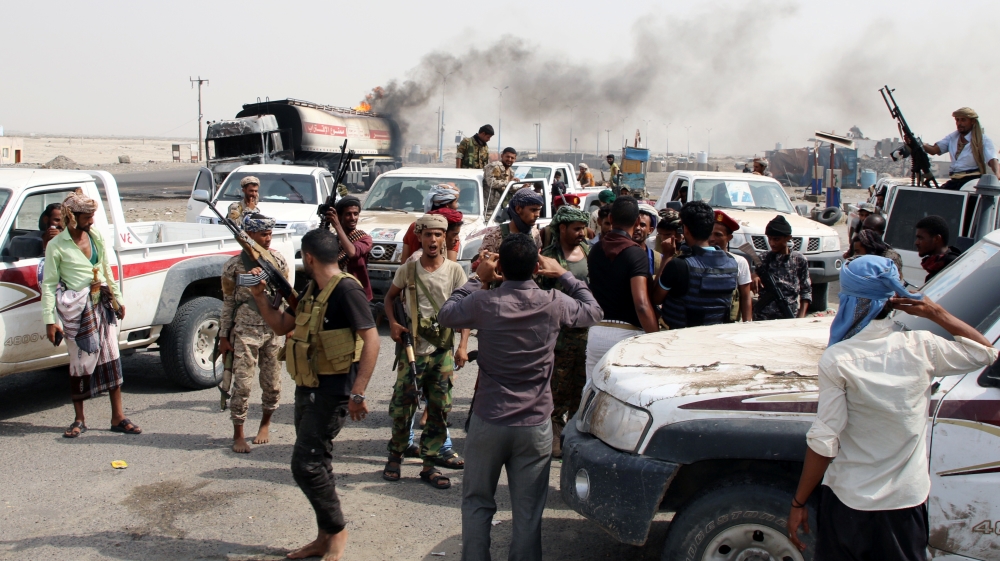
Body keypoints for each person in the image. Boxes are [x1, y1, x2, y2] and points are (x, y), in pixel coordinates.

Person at [787, 255, 998, 559]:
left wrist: (798, 502)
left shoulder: (838, 359)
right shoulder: (922, 346)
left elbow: (824, 440)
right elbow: (985, 353)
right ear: (891, 299)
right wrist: (936, 312)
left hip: (849, 501)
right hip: (905, 505)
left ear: (848, 300)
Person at [438, 233, 602, 561]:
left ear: (500, 266)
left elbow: (446, 314)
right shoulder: (553, 300)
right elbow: (593, 311)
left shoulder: (484, 302)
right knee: (528, 513)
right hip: (535, 424)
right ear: (537, 265)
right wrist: (565, 275)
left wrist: (477, 279)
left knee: (476, 503)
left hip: (489, 419)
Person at [247, 228, 379, 561]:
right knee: (318, 461)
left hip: (334, 392)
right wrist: (261, 296)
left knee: (305, 464)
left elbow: (373, 339)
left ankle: (336, 533)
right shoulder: (312, 289)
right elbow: (281, 326)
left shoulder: (347, 290)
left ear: (308, 257)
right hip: (308, 386)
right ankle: (324, 536)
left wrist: (359, 392)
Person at [382, 215, 471, 488]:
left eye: (438, 235)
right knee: (403, 406)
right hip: (413, 352)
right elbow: (389, 298)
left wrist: (464, 346)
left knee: (439, 408)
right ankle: (395, 456)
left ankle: (429, 464)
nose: (433, 240)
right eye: (428, 235)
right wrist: (395, 325)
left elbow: (467, 310)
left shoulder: (455, 271)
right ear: (419, 237)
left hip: (442, 350)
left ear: (445, 238)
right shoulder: (408, 270)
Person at [42, 192, 138, 438]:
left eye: (92, 216)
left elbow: (106, 268)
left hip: (101, 307)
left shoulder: (94, 236)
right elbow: (50, 285)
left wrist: (117, 298)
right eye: (87, 217)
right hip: (77, 311)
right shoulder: (57, 246)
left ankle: (118, 417)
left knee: (111, 358)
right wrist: (50, 320)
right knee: (80, 364)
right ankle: (79, 419)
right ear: (72, 218)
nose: (92, 221)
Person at [218, 213, 289, 453]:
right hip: (244, 331)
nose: (267, 239)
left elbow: (287, 297)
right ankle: (238, 433)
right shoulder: (233, 266)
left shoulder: (277, 261)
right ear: (248, 236)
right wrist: (223, 336)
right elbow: (228, 302)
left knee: (272, 385)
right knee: (243, 385)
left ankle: (265, 424)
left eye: (270, 233)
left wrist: (290, 329)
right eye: (262, 234)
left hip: (272, 331)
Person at [536, 205, 592, 458]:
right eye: (577, 229)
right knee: (557, 385)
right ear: (562, 228)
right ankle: (554, 431)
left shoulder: (590, 253)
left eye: (583, 228)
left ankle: (574, 431)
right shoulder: (548, 257)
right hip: (559, 333)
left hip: (586, 331)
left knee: (581, 384)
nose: (582, 233)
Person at [586, 196, 660, 380]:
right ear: (636, 222)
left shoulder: (595, 250)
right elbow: (641, 304)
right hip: (627, 335)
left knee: (592, 392)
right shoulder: (636, 254)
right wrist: (656, 339)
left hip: (596, 331)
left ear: (610, 219)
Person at [652, 201, 740, 329]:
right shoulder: (731, 263)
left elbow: (655, 299)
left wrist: (666, 257)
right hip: (713, 336)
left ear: (686, 229)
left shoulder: (679, 265)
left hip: (681, 337)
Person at [923, 107, 999, 191]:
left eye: (963, 120)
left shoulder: (983, 140)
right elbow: (934, 150)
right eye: (957, 120)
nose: (959, 123)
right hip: (955, 181)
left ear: (972, 121)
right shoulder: (952, 137)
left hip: (971, 181)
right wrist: (919, 143)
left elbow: (992, 160)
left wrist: (998, 175)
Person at [752, 215, 811, 320]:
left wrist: (801, 317)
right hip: (763, 316)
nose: (772, 243)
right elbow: (750, 277)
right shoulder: (762, 258)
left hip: (787, 315)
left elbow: (806, 291)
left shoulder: (799, 260)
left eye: (776, 239)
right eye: (769, 239)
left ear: (788, 238)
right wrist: (754, 275)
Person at [476, 187, 544, 268]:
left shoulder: (534, 233)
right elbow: (483, 268)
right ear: (518, 209)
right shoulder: (495, 235)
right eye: (533, 210)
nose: (537, 215)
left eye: (539, 210)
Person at [324, 196, 373, 301]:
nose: (353, 218)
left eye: (355, 214)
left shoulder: (364, 238)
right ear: (339, 216)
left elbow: (352, 252)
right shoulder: (333, 240)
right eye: (348, 214)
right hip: (335, 293)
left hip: (357, 295)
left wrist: (337, 226)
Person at [708, 210, 753, 322]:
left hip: (728, 321)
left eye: (718, 235)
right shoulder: (697, 259)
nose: (712, 238)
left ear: (729, 238)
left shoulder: (739, 262)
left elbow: (746, 296)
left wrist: (747, 323)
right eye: (709, 233)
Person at [399, 184, 463, 263]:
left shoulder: (414, 226)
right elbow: (452, 267)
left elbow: (403, 263)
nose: (457, 206)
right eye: (456, 202)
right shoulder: (450, 229)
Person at [915, 215, 961, 282]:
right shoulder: (936, 267)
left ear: (937, 239)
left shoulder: (953, 265)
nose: (916, 242)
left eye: (921, 238)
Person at [483, 147, 517, 214]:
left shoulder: (511, 172)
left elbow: (508, 189)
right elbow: (491, 183)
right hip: (489, 208)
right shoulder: (495, 166)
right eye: (507, 157)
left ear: (515, 159)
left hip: (501, 206)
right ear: (502, 156)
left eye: (512, 158)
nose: (509, 159)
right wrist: (508, 182)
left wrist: (521, 188)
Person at [633, 203, 662, 278]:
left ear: (650, 230)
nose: (637, 228)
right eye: (634, 224)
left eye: (642, 225)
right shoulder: (619, 254)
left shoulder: (658, 259)